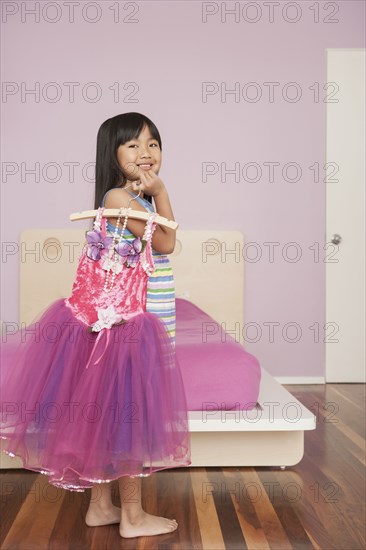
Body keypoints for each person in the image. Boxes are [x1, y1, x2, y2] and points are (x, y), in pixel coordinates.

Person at [0, 112, 191, 538]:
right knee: (131, 419)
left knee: (107, 418)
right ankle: (134, 516)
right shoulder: (120, 199)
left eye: (153, 144)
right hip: (126, 327)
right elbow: (166, 242)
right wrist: (162, 192)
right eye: (133, 145)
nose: (146, 153)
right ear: (113, 154)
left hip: (129, 320)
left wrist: (152, 195)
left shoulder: (131, 201)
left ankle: (100, 507)